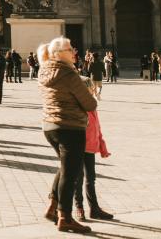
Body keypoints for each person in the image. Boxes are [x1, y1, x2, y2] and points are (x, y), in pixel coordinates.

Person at [39, 36, 97, 233]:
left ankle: (52, 207)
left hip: (50, 126)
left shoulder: (45, 70)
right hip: (70, 126)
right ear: (59, 54)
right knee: (71, 173)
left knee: (65, 168)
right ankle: (65, 217)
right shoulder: (69, 74)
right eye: (70, 49)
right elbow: (90, 104)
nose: (74, 52)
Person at [73, 78, 114, 223]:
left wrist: (102, 145)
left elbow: (97, 128)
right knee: (78, 179)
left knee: (91, 178)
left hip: (90, 148)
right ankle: (79, 208)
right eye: (91, 88)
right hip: (78, 147)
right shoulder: (78, 106)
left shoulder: (92, 106)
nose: (93, 90)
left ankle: (94, 209)